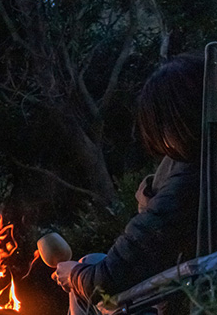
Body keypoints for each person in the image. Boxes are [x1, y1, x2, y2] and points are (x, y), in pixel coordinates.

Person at [53, 52, 204, 314]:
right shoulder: (202, 168)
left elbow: (107, 281)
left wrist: (74, 275)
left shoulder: (188, 185)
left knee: (92, 292)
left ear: (174, 122)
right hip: (172, 287)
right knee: (93, 262)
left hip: (174, 301)